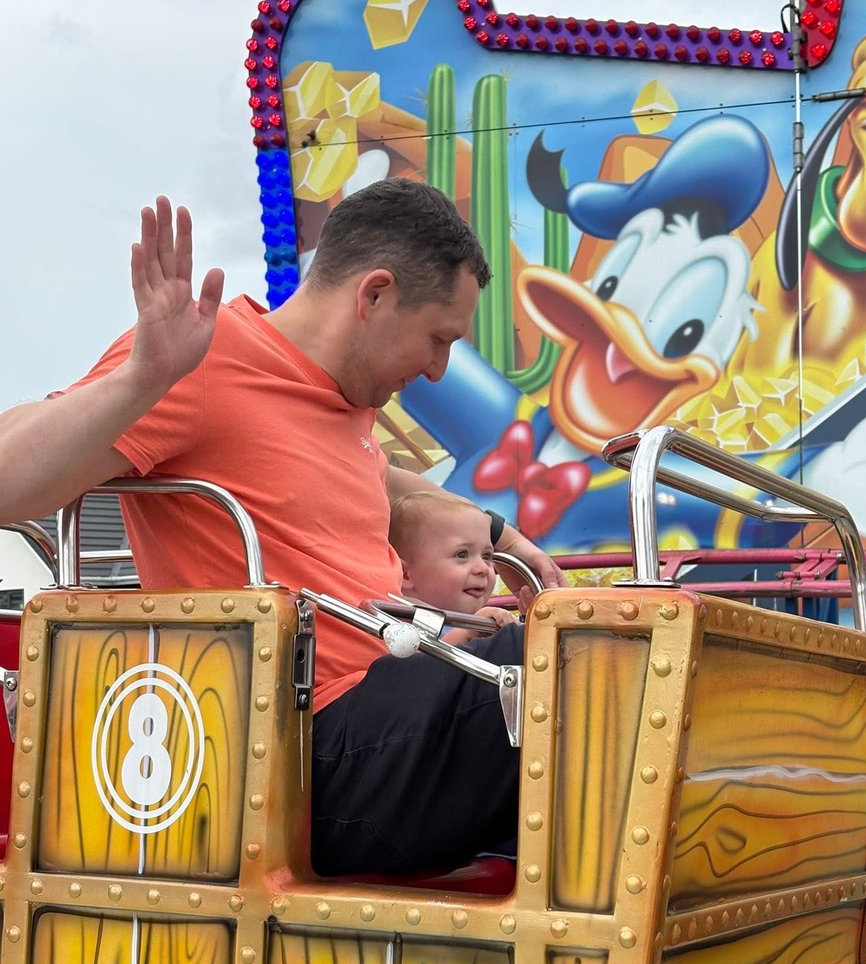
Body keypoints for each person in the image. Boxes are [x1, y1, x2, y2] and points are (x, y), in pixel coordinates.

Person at [0, 179, 563, 876]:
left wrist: (506, 538)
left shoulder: (339, 399)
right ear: (374, 296)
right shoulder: (204, 361)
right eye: (438, 339)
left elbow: (382, 483)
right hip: (303, 753)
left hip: (385, 710)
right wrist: (140, 380)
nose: (438, 369)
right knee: (573, 665)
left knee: (577, 648)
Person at [388, 487, 517, 644]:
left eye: (486, 556)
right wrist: (467, 633)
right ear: (405, 574)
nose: (482, 568)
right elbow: (418, 666)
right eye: (462, 555)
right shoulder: (399, 624)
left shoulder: (485, 617)